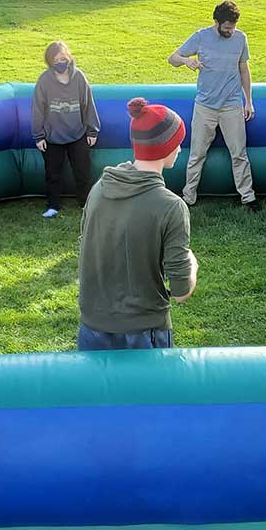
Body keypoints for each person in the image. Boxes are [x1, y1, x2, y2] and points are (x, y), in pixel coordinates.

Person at [77, 98, 196, 351]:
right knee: (149, 393)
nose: (180, 149)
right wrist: (192, 263)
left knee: (98, 393)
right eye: (177, 143)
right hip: (143, 335)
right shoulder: (171, 207)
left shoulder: (99, 188)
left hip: (92, 330)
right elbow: (181, 291)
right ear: (166, 148)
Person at [168, 0, 259, 211]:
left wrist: (249, 101)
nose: (230, 30)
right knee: (197, 154)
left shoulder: (240, 38)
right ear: (216, 22)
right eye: (227, 27)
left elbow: (243, 69)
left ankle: (248, 197)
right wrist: (186, 61)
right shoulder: (201, 36)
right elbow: (172, 58)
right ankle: (188, 196)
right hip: (205, 106)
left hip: (232, 105)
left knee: (239, 153)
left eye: (233, 27)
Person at [32, 41, 99, 218]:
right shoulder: (44, 80)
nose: (61, 62)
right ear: (49, 62)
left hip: (78, 133)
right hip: (53, 136)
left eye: (63, 58)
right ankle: (53, 205)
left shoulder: (79, 78)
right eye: (56, 60)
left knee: (82, 171)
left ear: (69, 58)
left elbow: (88, 104)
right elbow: (37, 108)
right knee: (53, 173)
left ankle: (85, 202)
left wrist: (92, 130)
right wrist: (39, 136)